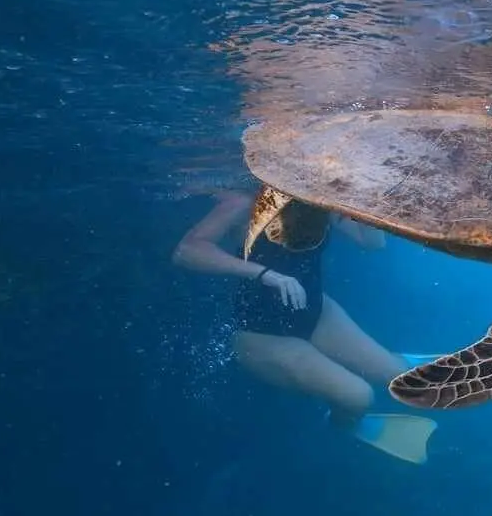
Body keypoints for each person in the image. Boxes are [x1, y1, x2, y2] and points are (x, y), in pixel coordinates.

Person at [172, 188, 437, 465]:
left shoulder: (322, 201)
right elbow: (186, 251)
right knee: (359, 397)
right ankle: (344, 425)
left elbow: (372, 243)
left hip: (317, 314)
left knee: (398, 377)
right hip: (260, 336)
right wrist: (266, 275)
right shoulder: (244, 203)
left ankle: (394, 362)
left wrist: (370, 197)